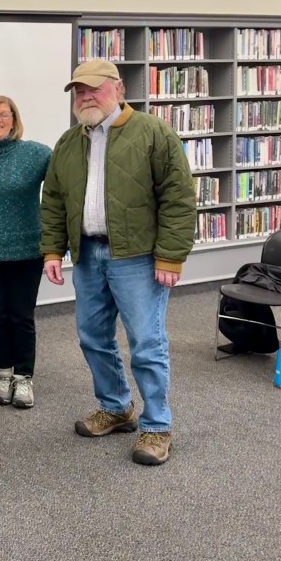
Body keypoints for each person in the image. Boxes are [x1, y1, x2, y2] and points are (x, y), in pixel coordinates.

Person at [41, 59, 196, 466]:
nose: (85, 96)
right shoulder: (69, 142)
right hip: (89, 255)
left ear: (118, 88)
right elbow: (54, 200)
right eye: (78, 90)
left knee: (146, 343)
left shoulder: (153, 133)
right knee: (93, 337)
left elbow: (179, 199)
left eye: (93, 88)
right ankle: (116, 407)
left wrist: (171, 257)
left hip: (139, 258)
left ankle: (157, 427)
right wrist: (54, 250)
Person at [0, 96, 51, 410]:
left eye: (5, 114)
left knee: (21, 315)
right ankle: (3, 375)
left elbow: (63, 186)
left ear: (14, 120)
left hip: (28, 249)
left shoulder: (36, 153)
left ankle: (24, 379)